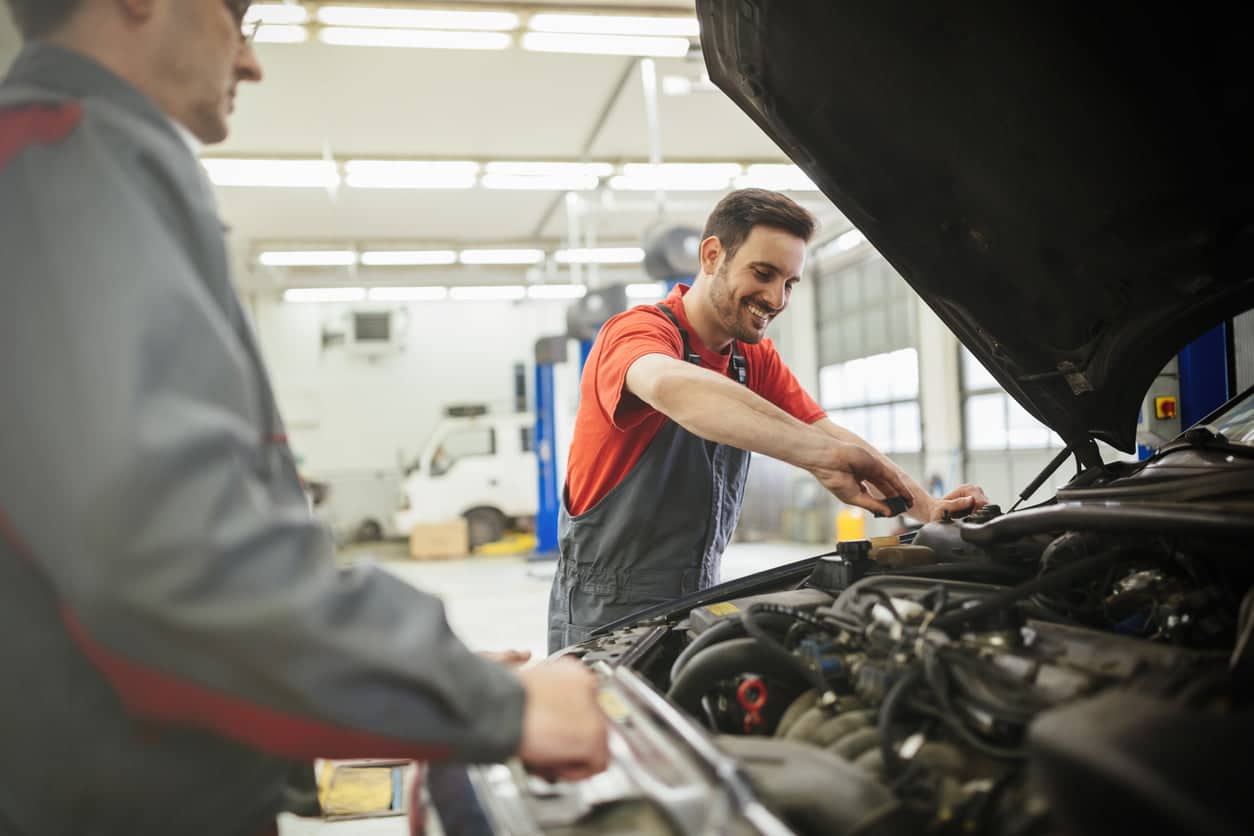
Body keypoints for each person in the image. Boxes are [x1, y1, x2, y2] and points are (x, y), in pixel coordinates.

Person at [0, 2, 607, 835]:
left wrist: (377, 690)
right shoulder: (62, 156)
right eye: (235, 18)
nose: (250, 63)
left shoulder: (64, 161)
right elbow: (165, 548)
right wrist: (485, 701)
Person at [548, 189, 988, 652]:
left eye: (790, 283)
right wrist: (822, 459)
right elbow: (671, 388)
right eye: (763, 273)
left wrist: (927, 508)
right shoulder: (637, 332)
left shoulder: (751, 356)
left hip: (699, 589)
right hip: (608, 603)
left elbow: (828, 432)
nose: (776, 298)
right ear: (712, 255)